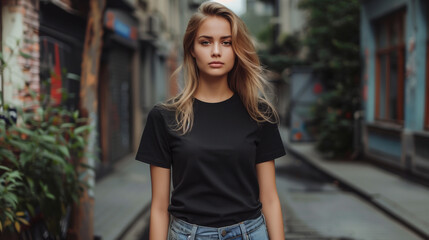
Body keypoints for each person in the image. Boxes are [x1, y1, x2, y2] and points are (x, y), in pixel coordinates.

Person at [136, 2, 286, 240]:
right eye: (206, 42)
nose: (216, 51)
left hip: (250, 233)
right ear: (192, 50)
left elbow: (269, 198)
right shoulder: (164, 117)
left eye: (226, 42)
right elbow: (158, 207)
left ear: (237, 49)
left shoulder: (259, 114)